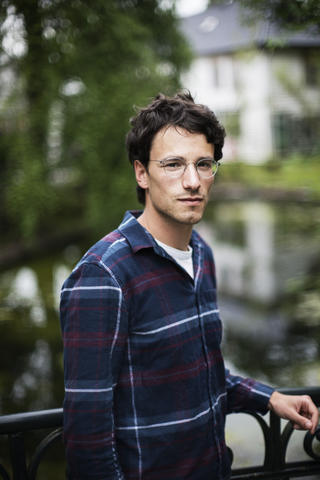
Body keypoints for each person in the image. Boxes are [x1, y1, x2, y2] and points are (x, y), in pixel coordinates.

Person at [60, 92, 319, 480]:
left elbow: (202, 371)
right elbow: (86, 437)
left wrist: (271, 398)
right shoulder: (104, 275)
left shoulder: (202, 254)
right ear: (141, 173)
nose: (193, 181)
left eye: (203, 164)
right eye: (173, 164)